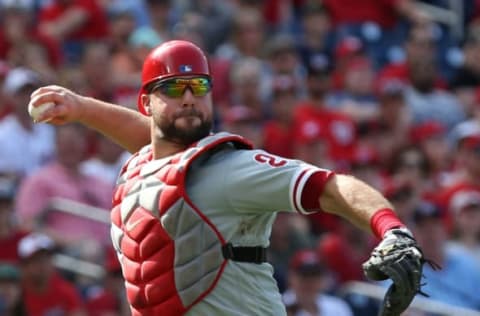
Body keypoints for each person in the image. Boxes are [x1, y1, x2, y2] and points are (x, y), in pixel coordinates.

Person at [28, 40, 427, 315]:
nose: (188, 97)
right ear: (146, 102)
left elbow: (329, 186)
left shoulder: (231, 167)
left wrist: (391, 229)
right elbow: (149, 138)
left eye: (198, 86)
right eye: (173, 87)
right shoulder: (143, 164)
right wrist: (81, 109)